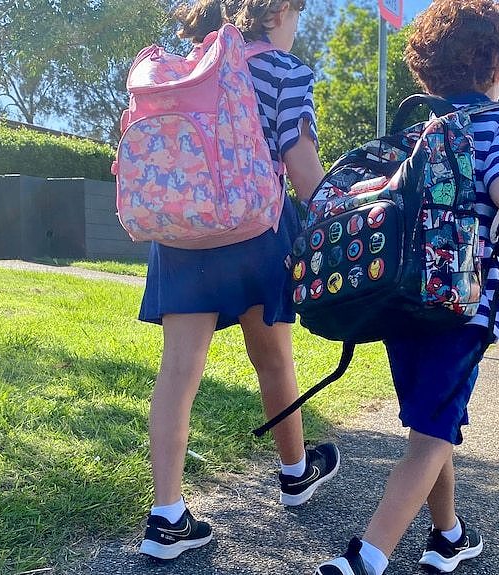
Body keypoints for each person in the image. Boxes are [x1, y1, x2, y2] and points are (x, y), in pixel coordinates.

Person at [316, 1, 499, 574]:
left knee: (430, 423)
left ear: (428, 69)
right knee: (432, 431)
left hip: (399, 299)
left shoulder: (416, 127)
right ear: (498, 64)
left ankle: (448, 535)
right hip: (463, 302)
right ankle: (366, 557)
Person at [137, 0, 339, 561]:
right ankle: (295, 473)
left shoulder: (195, 61)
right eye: (297, 14)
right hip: (255, 230)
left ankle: (167, 516)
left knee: (178, 372)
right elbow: (300, 164)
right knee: (273, 359)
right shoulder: (284, 70)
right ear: (278, 12)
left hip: (182, 231)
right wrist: (336, 213)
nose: (298, 26)